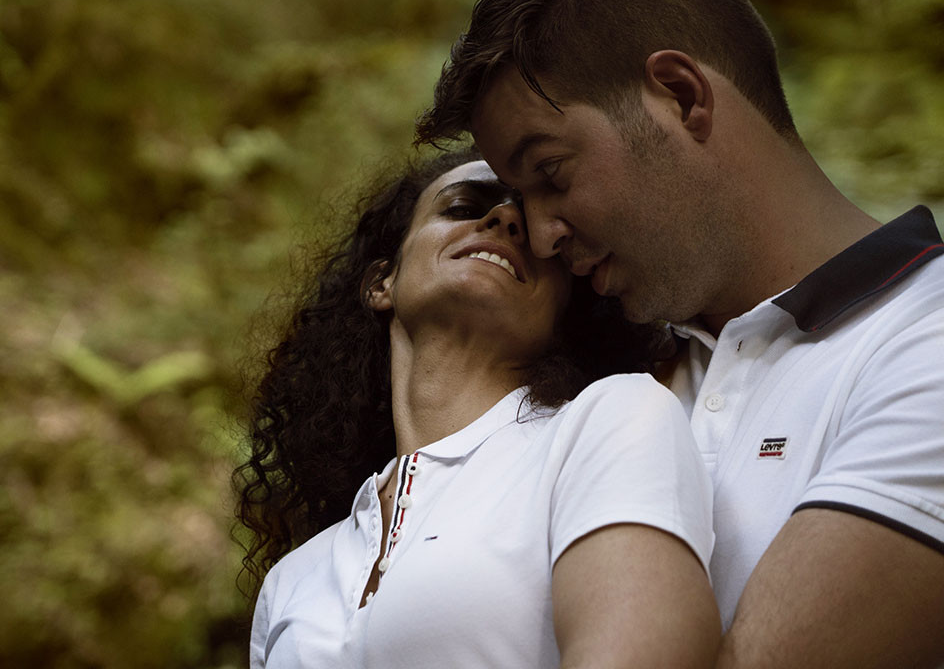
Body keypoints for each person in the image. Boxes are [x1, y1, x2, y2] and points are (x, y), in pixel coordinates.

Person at [414, 0, 944, 669]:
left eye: (551, 174)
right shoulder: (601, 373)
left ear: (682, 97)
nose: (540, 233)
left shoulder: (924, 337)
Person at [236, 149, 720, 668]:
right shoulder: (293, 578)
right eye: (464, 207)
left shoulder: (611, 420)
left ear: (569, 307)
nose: (506, 218)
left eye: (530, 229)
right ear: (382, 284)